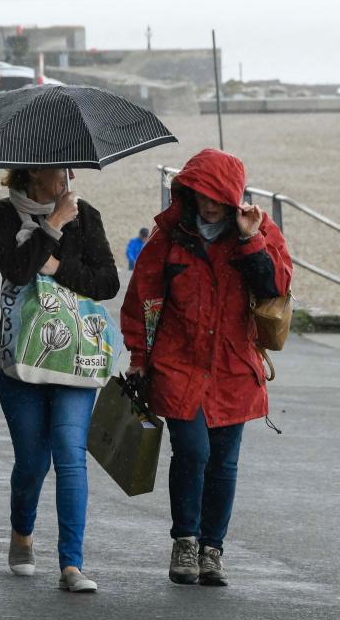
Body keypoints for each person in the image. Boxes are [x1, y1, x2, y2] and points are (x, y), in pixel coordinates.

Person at [120, 148, 292, 587]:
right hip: (179, 362)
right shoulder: (170, 237)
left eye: (217, 195)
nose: (208, 203)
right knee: (193, 451)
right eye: (200, 193)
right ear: (188, 190)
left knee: (224, 462)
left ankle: (213, 549)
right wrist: (139, 357)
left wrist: (252, 239)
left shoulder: (257, 230)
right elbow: (142, 297)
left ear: (233, 196)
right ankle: (186, 541)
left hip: (234, 365)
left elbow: (275, 286)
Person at [0, 167, 119, 593]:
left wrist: (58, 265)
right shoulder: (4, 214)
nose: (66, 176)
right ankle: (22, 534)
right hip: (22, 359)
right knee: (32, 462)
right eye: (55, 169)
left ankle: (71, 565)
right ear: (30, 174)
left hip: (75, 357)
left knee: (69, 454)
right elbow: (19, 270)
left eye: (68, 168)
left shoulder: (89, 214)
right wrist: (54, 225)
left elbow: (107, 283)